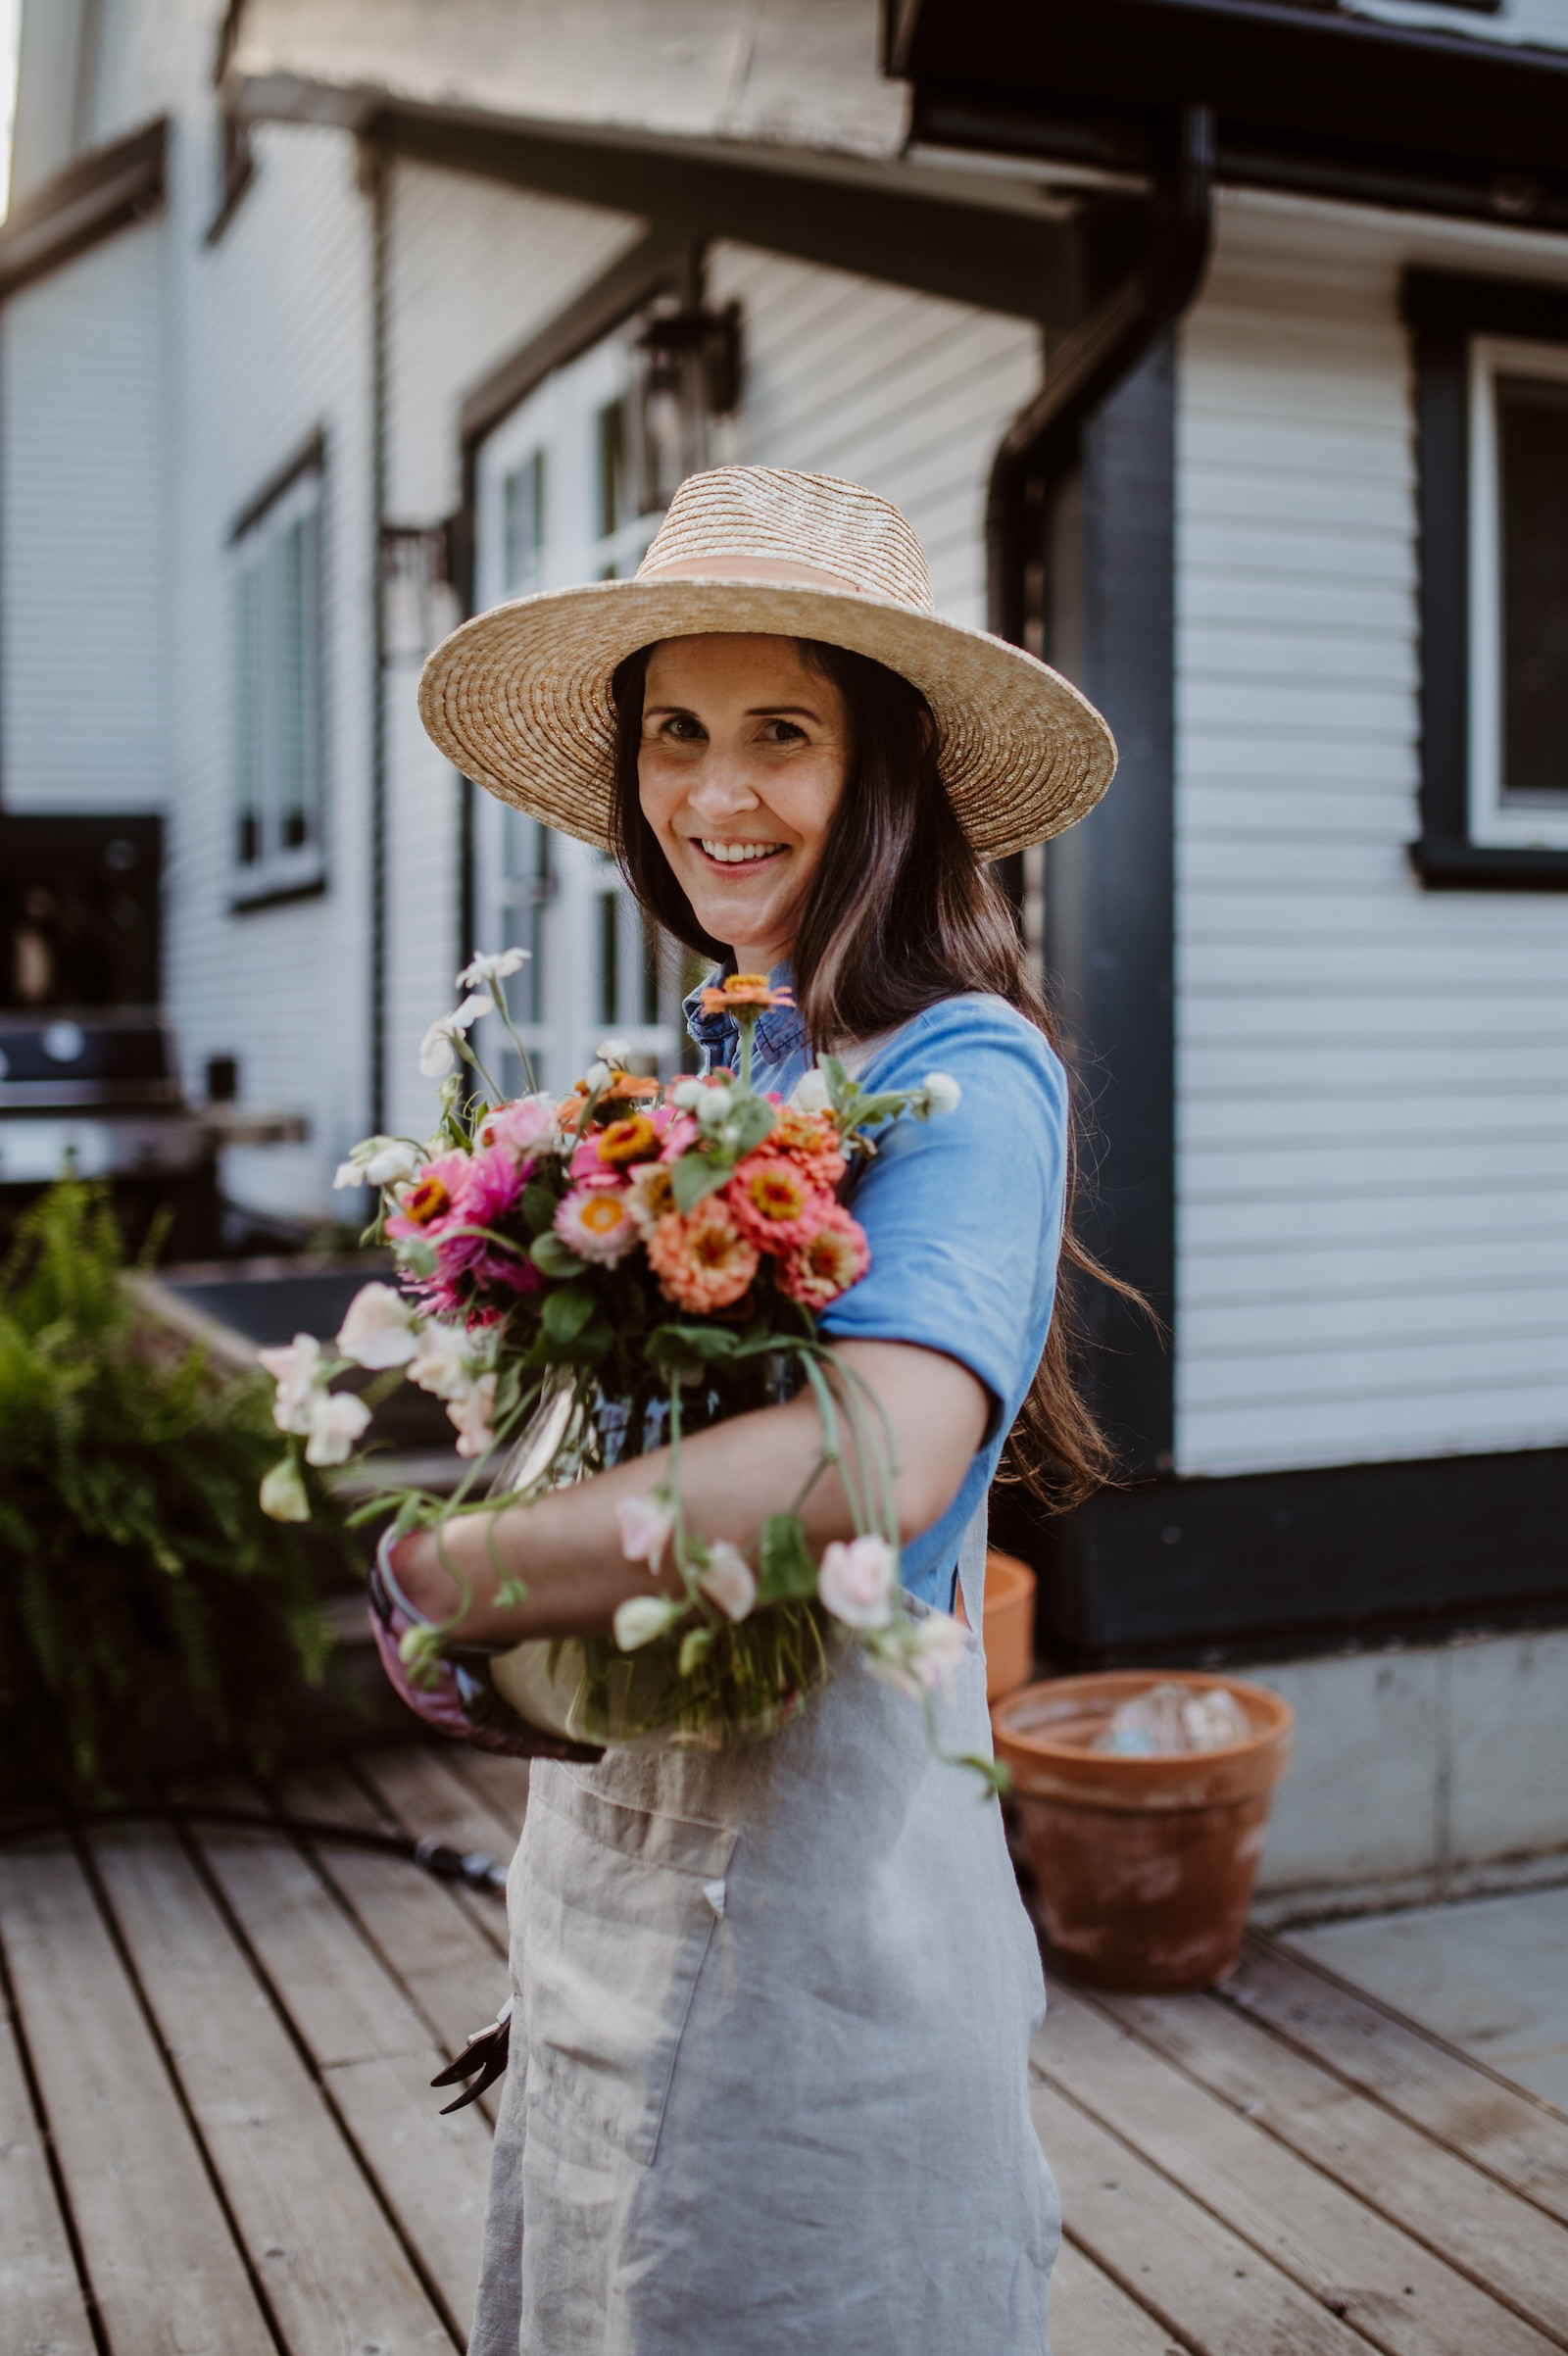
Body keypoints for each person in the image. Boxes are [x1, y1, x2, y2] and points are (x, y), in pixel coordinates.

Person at [397, 466, 1120, 2354]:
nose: (719, 797)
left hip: (833, 1911)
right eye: (677, 736)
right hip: (618, 1872)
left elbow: (877, 1456)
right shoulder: (716, 1056)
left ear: (883, 764)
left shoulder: (969, 1068)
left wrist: (465, 1566)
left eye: (781, 735)